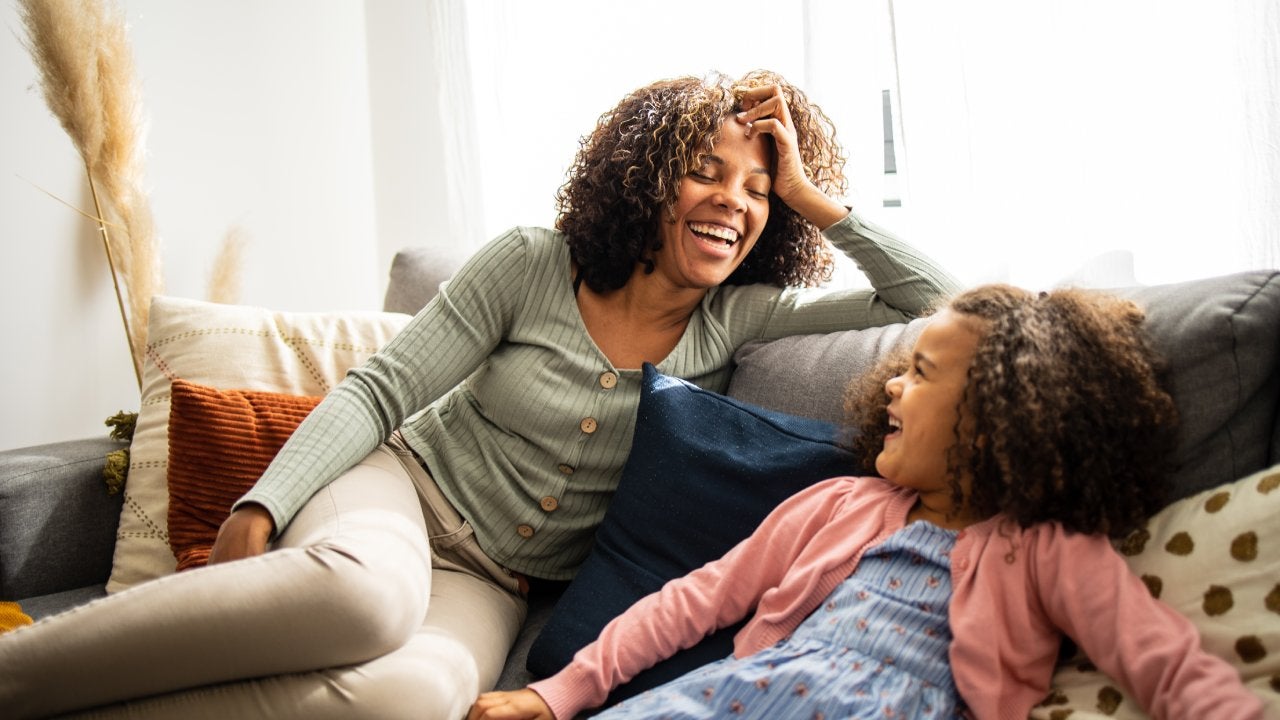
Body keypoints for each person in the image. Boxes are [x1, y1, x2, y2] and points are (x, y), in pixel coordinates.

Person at [0, 70, 959, 719]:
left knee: (411, 700)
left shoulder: (738, 320)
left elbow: (942, 303)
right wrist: (265, 500)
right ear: (646, 178)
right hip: (398, 490)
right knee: (367, 601)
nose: (731, 200)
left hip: (491, 582)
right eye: (705, 171)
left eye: (757, 190)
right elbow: (382, 390)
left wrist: (814, 195)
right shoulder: (534, 264)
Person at [468, 284, 1265, 720]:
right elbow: (693, 602)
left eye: (920, 373)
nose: (890, 384)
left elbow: (1158, 657)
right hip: (738, 697)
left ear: (999, 414)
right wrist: (559, 692)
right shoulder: (838, 504)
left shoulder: (1044, 548)